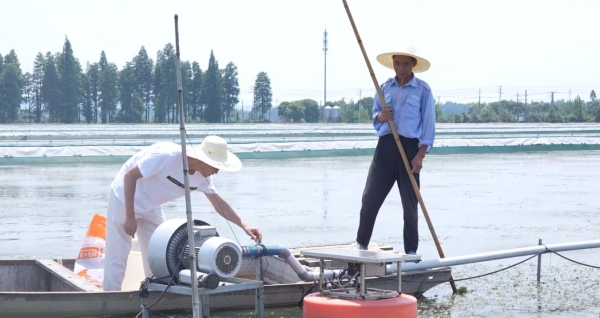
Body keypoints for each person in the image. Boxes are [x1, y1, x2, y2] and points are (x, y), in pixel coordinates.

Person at [102, 135, 262, 291]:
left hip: (151, 205)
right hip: (124, 198)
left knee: (159, 253)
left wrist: (244, 225)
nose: (217, 171)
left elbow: (219, 204)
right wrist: (130, 216)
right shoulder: (167, 156)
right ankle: (110, 296)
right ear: (205, 160)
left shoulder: (204, 177)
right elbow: (130, 176)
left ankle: (152, 292)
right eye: (216, 167)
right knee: (117, 252)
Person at [355, 45, 436, 255]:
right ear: (393, 64)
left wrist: (420, 155)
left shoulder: (423, 90)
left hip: (410, 150)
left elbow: (428, 126)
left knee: (410, 204)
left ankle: (411, 252)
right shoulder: (384, 87)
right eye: (397, 63)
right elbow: (375, 117)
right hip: (386, 147)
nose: (401, 68)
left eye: (406, 64)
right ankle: (361, 243)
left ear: (413, 66)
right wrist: (381, 117)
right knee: (370, 197)